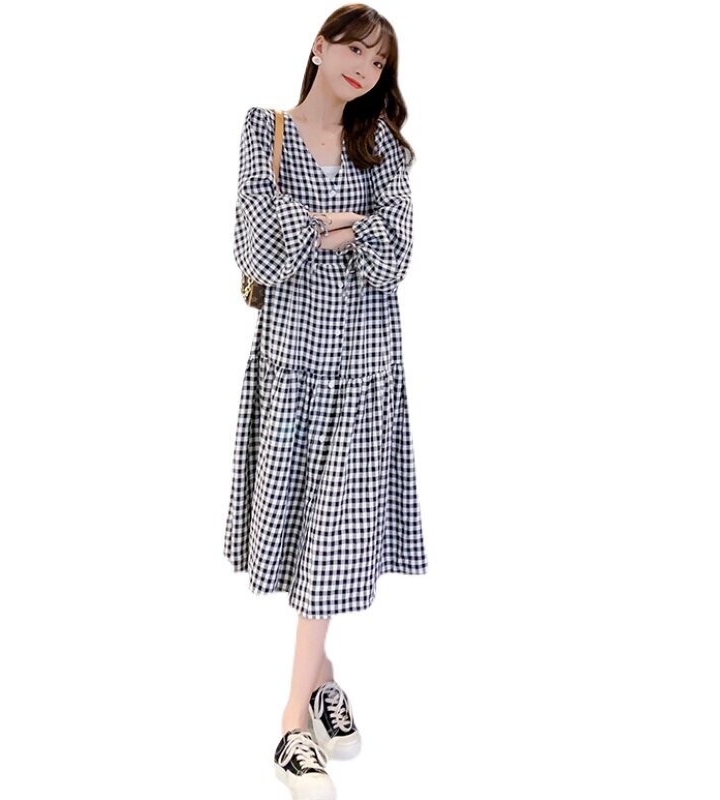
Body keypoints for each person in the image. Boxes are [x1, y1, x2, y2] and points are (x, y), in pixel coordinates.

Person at [223, 5, 427, 798]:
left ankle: (289, 725)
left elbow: (395, 256)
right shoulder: (264, 131)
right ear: (319, 45)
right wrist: (349, 224)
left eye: (378, 62)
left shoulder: (384, 149)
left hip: (364, 367)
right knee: (303, 536)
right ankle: (324, 680)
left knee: (334, 533)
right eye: (354, 49)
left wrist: (314, 227)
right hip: (292, 366)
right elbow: (257, 247)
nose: (363, 69)